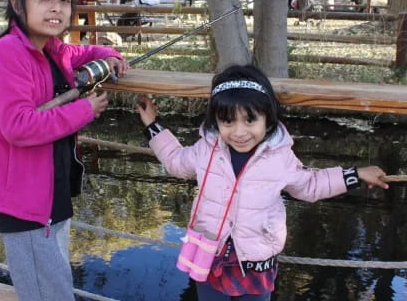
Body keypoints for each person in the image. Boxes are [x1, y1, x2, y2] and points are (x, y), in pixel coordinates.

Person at [136, 64, 388, 301]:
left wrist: (354, 175)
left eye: (249, 120)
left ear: (267, 118)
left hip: (256, 262)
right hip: (210, 255)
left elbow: (310, 185)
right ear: (216, 121)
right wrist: (152, 126)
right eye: (227, 121)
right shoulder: (206, 149)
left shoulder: (279, 157)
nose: (239, 132)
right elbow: (175, 161)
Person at [0, 0, 128, 301]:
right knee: (49, 293)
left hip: (51, 192)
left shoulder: (50, 49)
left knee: (55, 281)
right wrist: (84, 109)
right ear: (18, 4)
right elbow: (18, 127)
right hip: (23, 202)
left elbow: (83, 51)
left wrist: (110, 54)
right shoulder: (5, 55)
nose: (56, 7)